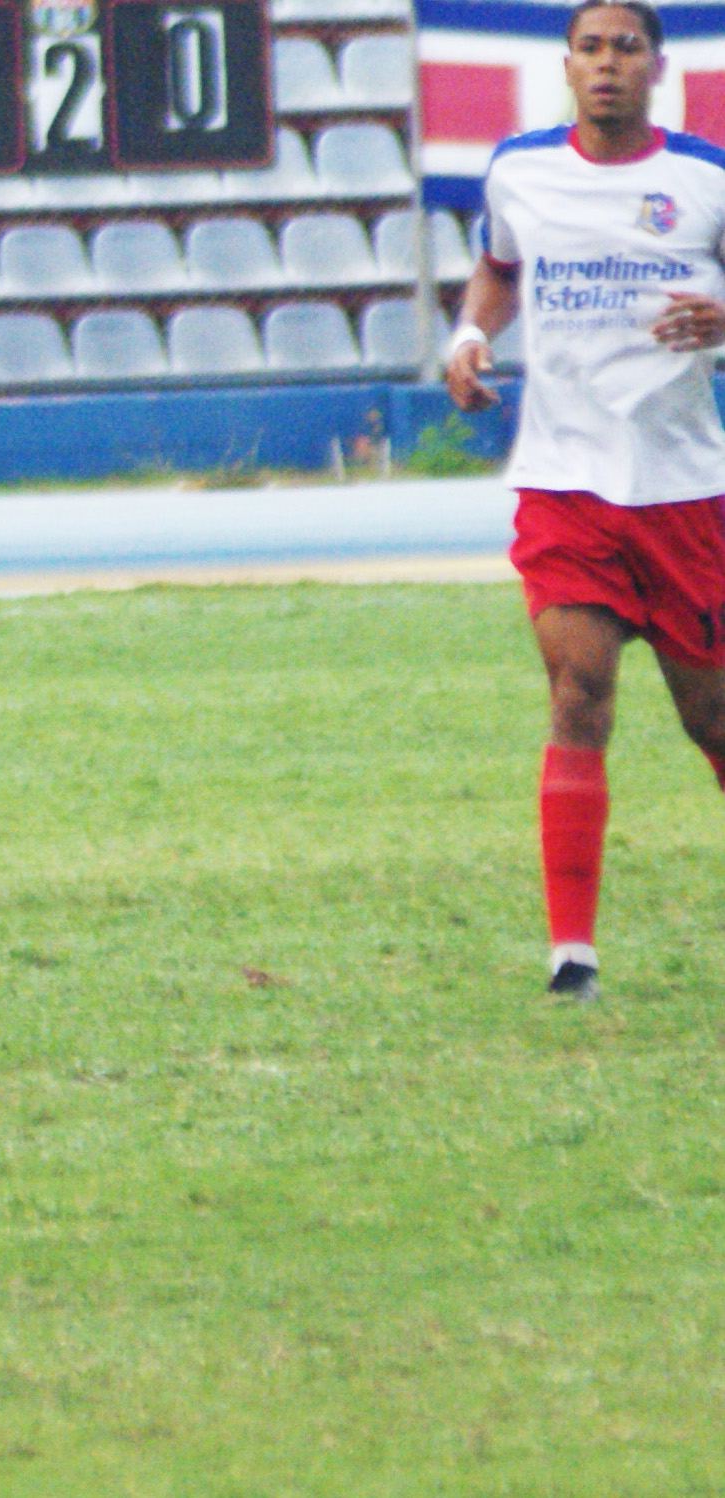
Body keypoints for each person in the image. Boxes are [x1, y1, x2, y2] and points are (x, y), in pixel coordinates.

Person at [447, 0, 725, 1005]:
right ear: (565, 65)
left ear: (658, 67)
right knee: (577, 695)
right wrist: (466, 337)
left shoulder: (703, 179)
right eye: (591, 48)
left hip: (684, 493)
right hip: (564, 486)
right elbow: (497, 267)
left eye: (627, 48)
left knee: (713, 723)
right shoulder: (520, 170)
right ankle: (573, 955)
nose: (607, 64)